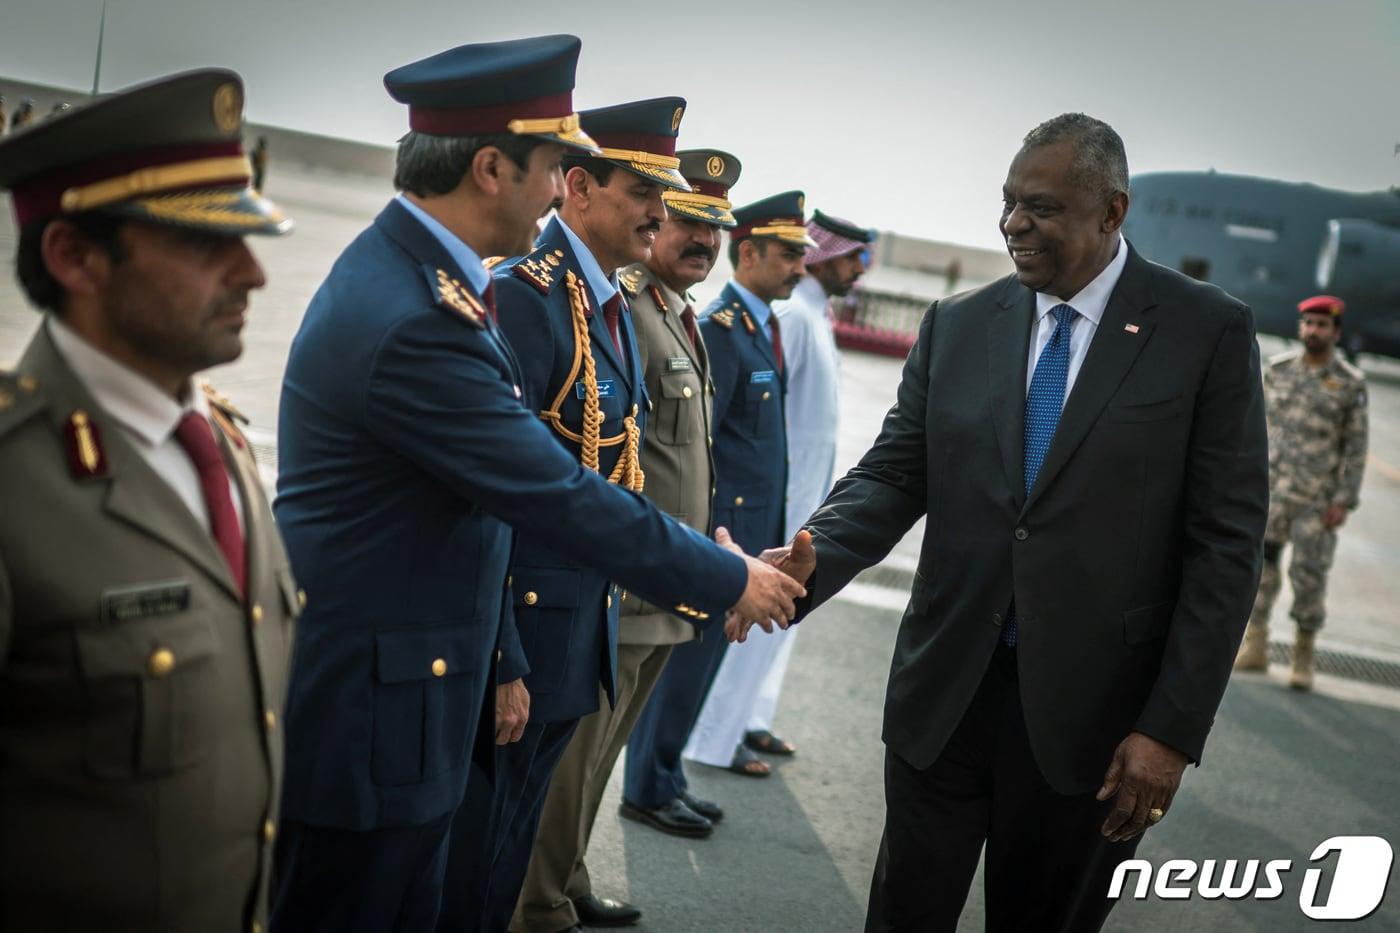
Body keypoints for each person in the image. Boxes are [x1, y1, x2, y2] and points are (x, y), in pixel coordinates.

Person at [271, 39, 800, 933]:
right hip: (381, 712)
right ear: (489, 167)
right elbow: (552, 489)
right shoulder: (418, 317)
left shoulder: (435, 286)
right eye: (556, 166)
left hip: (418, 692)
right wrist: (726, 579)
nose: (563, 188)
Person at [751, 113, 1268, 932]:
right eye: (1007, 202)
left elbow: (1226, 548)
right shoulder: (960, 324)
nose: (1012, 225)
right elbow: (893, 473)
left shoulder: (1206, 332)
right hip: (944, 696)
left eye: (1042, 207)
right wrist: (806, 562)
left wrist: (1169, 729)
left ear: (1112, 212)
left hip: (1094, 728)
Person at [0, 68, 296, 932]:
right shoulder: (16, 481)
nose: (253, 274)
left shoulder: (221, 447)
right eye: (207, 243)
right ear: (73, 256)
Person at [436, 96, 696, 932]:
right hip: (526, 641)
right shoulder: (529, 297)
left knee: (507, 856)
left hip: (578, 630)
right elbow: (493, 491)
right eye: (642, 191)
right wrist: (505, 653)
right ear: (578, 187)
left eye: (663, 194)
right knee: (473, 872)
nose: (661, 211)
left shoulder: (608, 303)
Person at [511, 147, 742, 933]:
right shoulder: (622, 308)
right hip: (626, 578)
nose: (697, 240)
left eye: (715, 229)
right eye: (682, 219)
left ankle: (566, 875)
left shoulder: (675, 315)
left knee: (600, 758)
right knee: (574, 760)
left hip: (659, 579)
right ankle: (537, 899)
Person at [680, 191, 814, 779]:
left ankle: (666, 779)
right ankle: (653, 784)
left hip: (750, 529)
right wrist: (713, 535)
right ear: (750, 253)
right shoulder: (723, 329)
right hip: (723, 532)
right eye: (788, 254)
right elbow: (702, 443)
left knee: (708, 661)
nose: (800, 267)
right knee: (687, 664)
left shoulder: (763, 329)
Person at [741, 209, 873, 760]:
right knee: (762, 607)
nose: (859, 272)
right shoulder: (794, 315)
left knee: (787, 608)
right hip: (787, 487)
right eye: (854, 258)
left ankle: (753, 717)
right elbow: (768, 412)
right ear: (826, 255)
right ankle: (723, 731)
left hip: (810, 491)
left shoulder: (815, 316)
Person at [1235, 294, 1367, 690]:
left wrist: (1343, 500)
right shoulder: (1277, 371)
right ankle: (1255, 647)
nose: (1314, 330)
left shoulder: (1349, 383)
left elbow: (1355, 447)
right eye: (1308, 323)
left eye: (1322, 325)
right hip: (1270, 494)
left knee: (1308, 576)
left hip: (1316, 501)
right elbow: (1252, 428)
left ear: (1336, 332)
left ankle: (1303, 655)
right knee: (1260, 573)